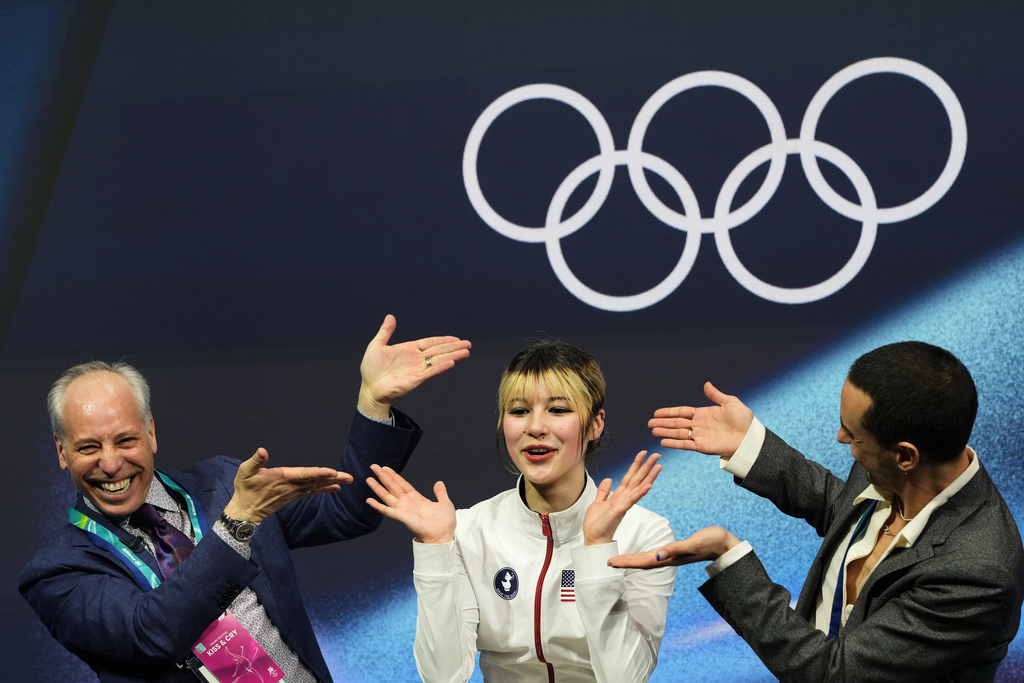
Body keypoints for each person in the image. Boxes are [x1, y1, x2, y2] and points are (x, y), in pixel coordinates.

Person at [19, 315, 471, 683]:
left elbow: (345, 512)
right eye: (88, 447)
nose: (111, 463)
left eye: (125, 440)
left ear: (151, 433)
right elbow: (151, 633)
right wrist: (237, 523)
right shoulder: (57, 572)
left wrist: (372, 403)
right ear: (62, 451)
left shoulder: (223, 484)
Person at [611, 341, 1024, 682]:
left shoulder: (977, 573)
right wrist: (749, 446)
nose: (841, 437)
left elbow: (834, 674)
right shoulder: (887, 464)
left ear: (905, 456)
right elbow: (845, 512)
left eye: (853, 435)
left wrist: (729, 559)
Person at [367, 341, 676, 682]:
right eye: (518, 411)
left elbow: (626, 677)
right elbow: (443, 676)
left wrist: (598, 549)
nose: (535, 427)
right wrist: (437, 549)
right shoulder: (469, 529)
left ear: (595, 424)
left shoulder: (644, 532)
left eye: (557, 409)